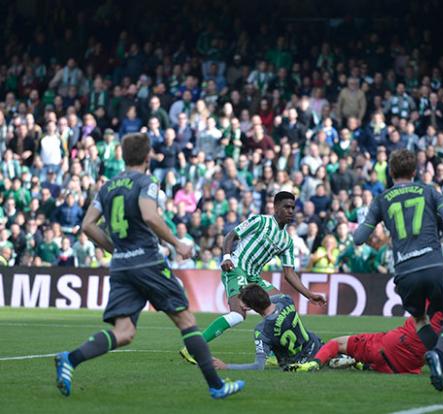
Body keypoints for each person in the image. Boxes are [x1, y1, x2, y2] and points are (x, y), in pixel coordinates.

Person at [54, 133, 244, 400]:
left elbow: (87, 225)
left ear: (123, 155)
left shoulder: (107, 187)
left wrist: (116, 250)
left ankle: (70, 359)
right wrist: (177, 243)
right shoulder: (147, 182)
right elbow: (149, 215)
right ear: (147, 157)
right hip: (148, 261)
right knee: (186, 321)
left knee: (125, 332)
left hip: (121, 266)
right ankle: (216, 385)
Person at [179, 191, 326, 364]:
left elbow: (289, 273)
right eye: (286, 207)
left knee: (280, 305)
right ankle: (192, 348)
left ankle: (273, 354)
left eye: (293, 208)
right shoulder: (261, 221)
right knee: (238, 314)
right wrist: (226, 257)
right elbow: (230, 236)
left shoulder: (286, 240)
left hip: (253, 277)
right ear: (276, 206)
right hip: (236, 268)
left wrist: (309, 294)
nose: (290, 211)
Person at [350, 149, 443, 391]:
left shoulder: (382, 199)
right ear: (415, 171)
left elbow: (358, 238)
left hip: (405, 271)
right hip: (434, 264)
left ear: (391, 172)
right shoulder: (429, 191)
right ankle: (439, 354)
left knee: (419, 319)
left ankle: (436, 355)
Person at [290, 312, 443, 374]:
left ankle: (314, 363)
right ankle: (360, 364)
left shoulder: (430, 299)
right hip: (403, 368)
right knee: (383, 362)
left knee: (337, 343)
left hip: (383, 346)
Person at [212, 284, 323, 371]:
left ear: (247, 307)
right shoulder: (286, 300)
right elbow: (267, 300)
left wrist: (226, 367)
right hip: (316, 345)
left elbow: (258, 366)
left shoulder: (262, 331)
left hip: (299, 363)